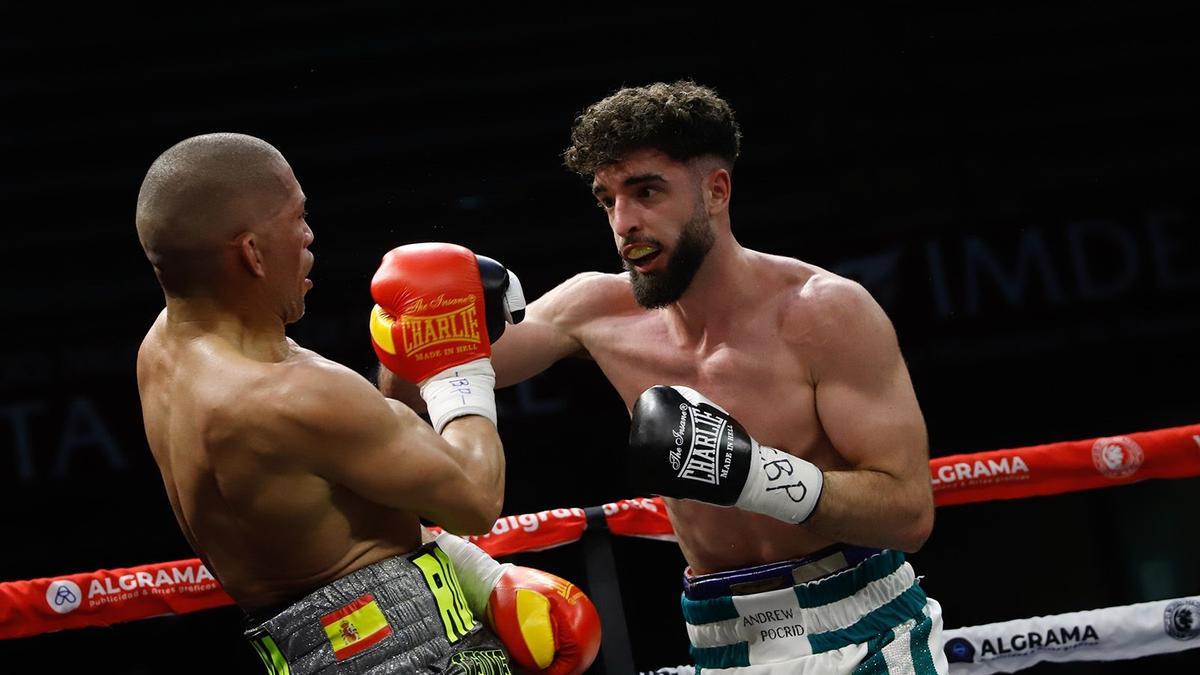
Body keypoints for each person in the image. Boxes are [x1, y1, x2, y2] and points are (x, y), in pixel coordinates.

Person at [380, 81, 946, 674]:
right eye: (608, 201)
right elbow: (413, 399)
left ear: (716, 190)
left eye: (646, 191)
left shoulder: (824, 311)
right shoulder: (594, 310)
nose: (625, 222)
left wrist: (757, 475)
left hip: (859, 619)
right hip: (719, 636)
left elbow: (908, 514)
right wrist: (413, 325)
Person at [134, 133, 599, 675]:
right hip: (401, 652)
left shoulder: (161, 353)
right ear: (251, 252)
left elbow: (352, 463)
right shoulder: (288, 396)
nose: (309, 237)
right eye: (296, 218)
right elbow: (475, 497)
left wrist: (476, 575)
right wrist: (458, 367)